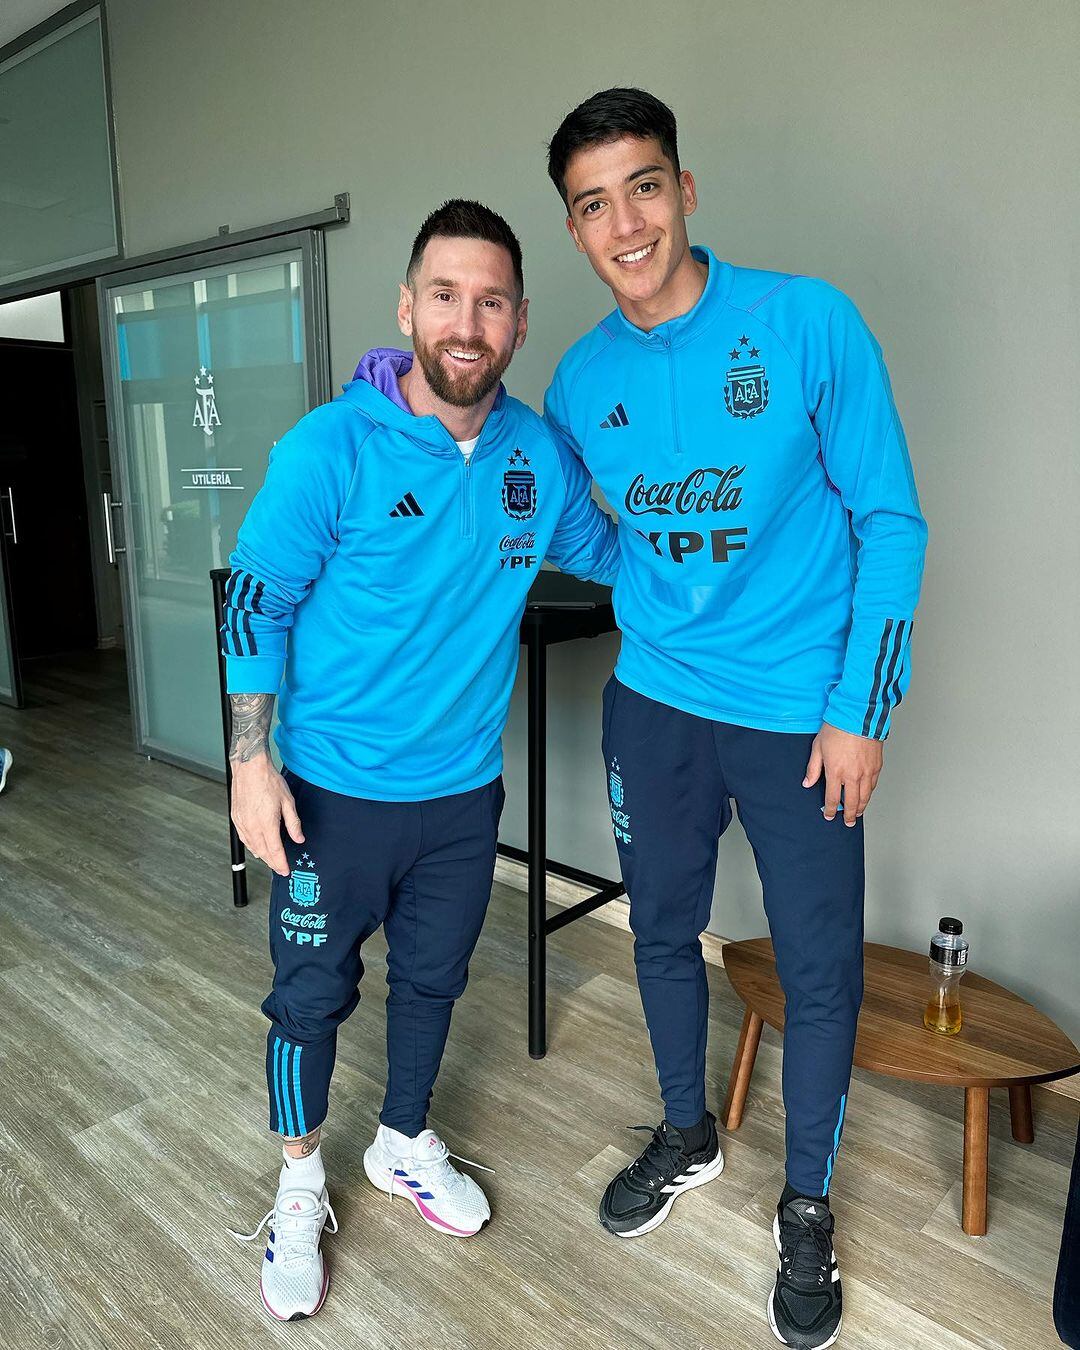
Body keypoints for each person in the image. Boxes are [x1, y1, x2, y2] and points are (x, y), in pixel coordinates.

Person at [544, 89, 927, 1349]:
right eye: (593, 204)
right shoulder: (581, 376)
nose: (625, 221)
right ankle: (686, 1131)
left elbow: (890, 521)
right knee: (662, 928)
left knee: (819, 972)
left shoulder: (805, 322)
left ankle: (806, 1201)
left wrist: (860, 709)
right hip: (653, 705)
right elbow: (601, 533)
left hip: (798, 718)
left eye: (643, 186)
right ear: (575, 228)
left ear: (686, 188)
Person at [223, 199, 619, 1322]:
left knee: (435, 982)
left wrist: (731, 552)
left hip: (458, 797)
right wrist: (252, 762)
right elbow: (258, 598)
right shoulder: (330, 448)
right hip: (330, 798)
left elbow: (610, 555)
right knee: (310, 1000)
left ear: (520, 321)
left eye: (491, 300)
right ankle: (300, 1184)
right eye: (444, 294)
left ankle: (401, 1139)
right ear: (407, 307)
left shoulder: (534, 454)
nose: (467, 320)